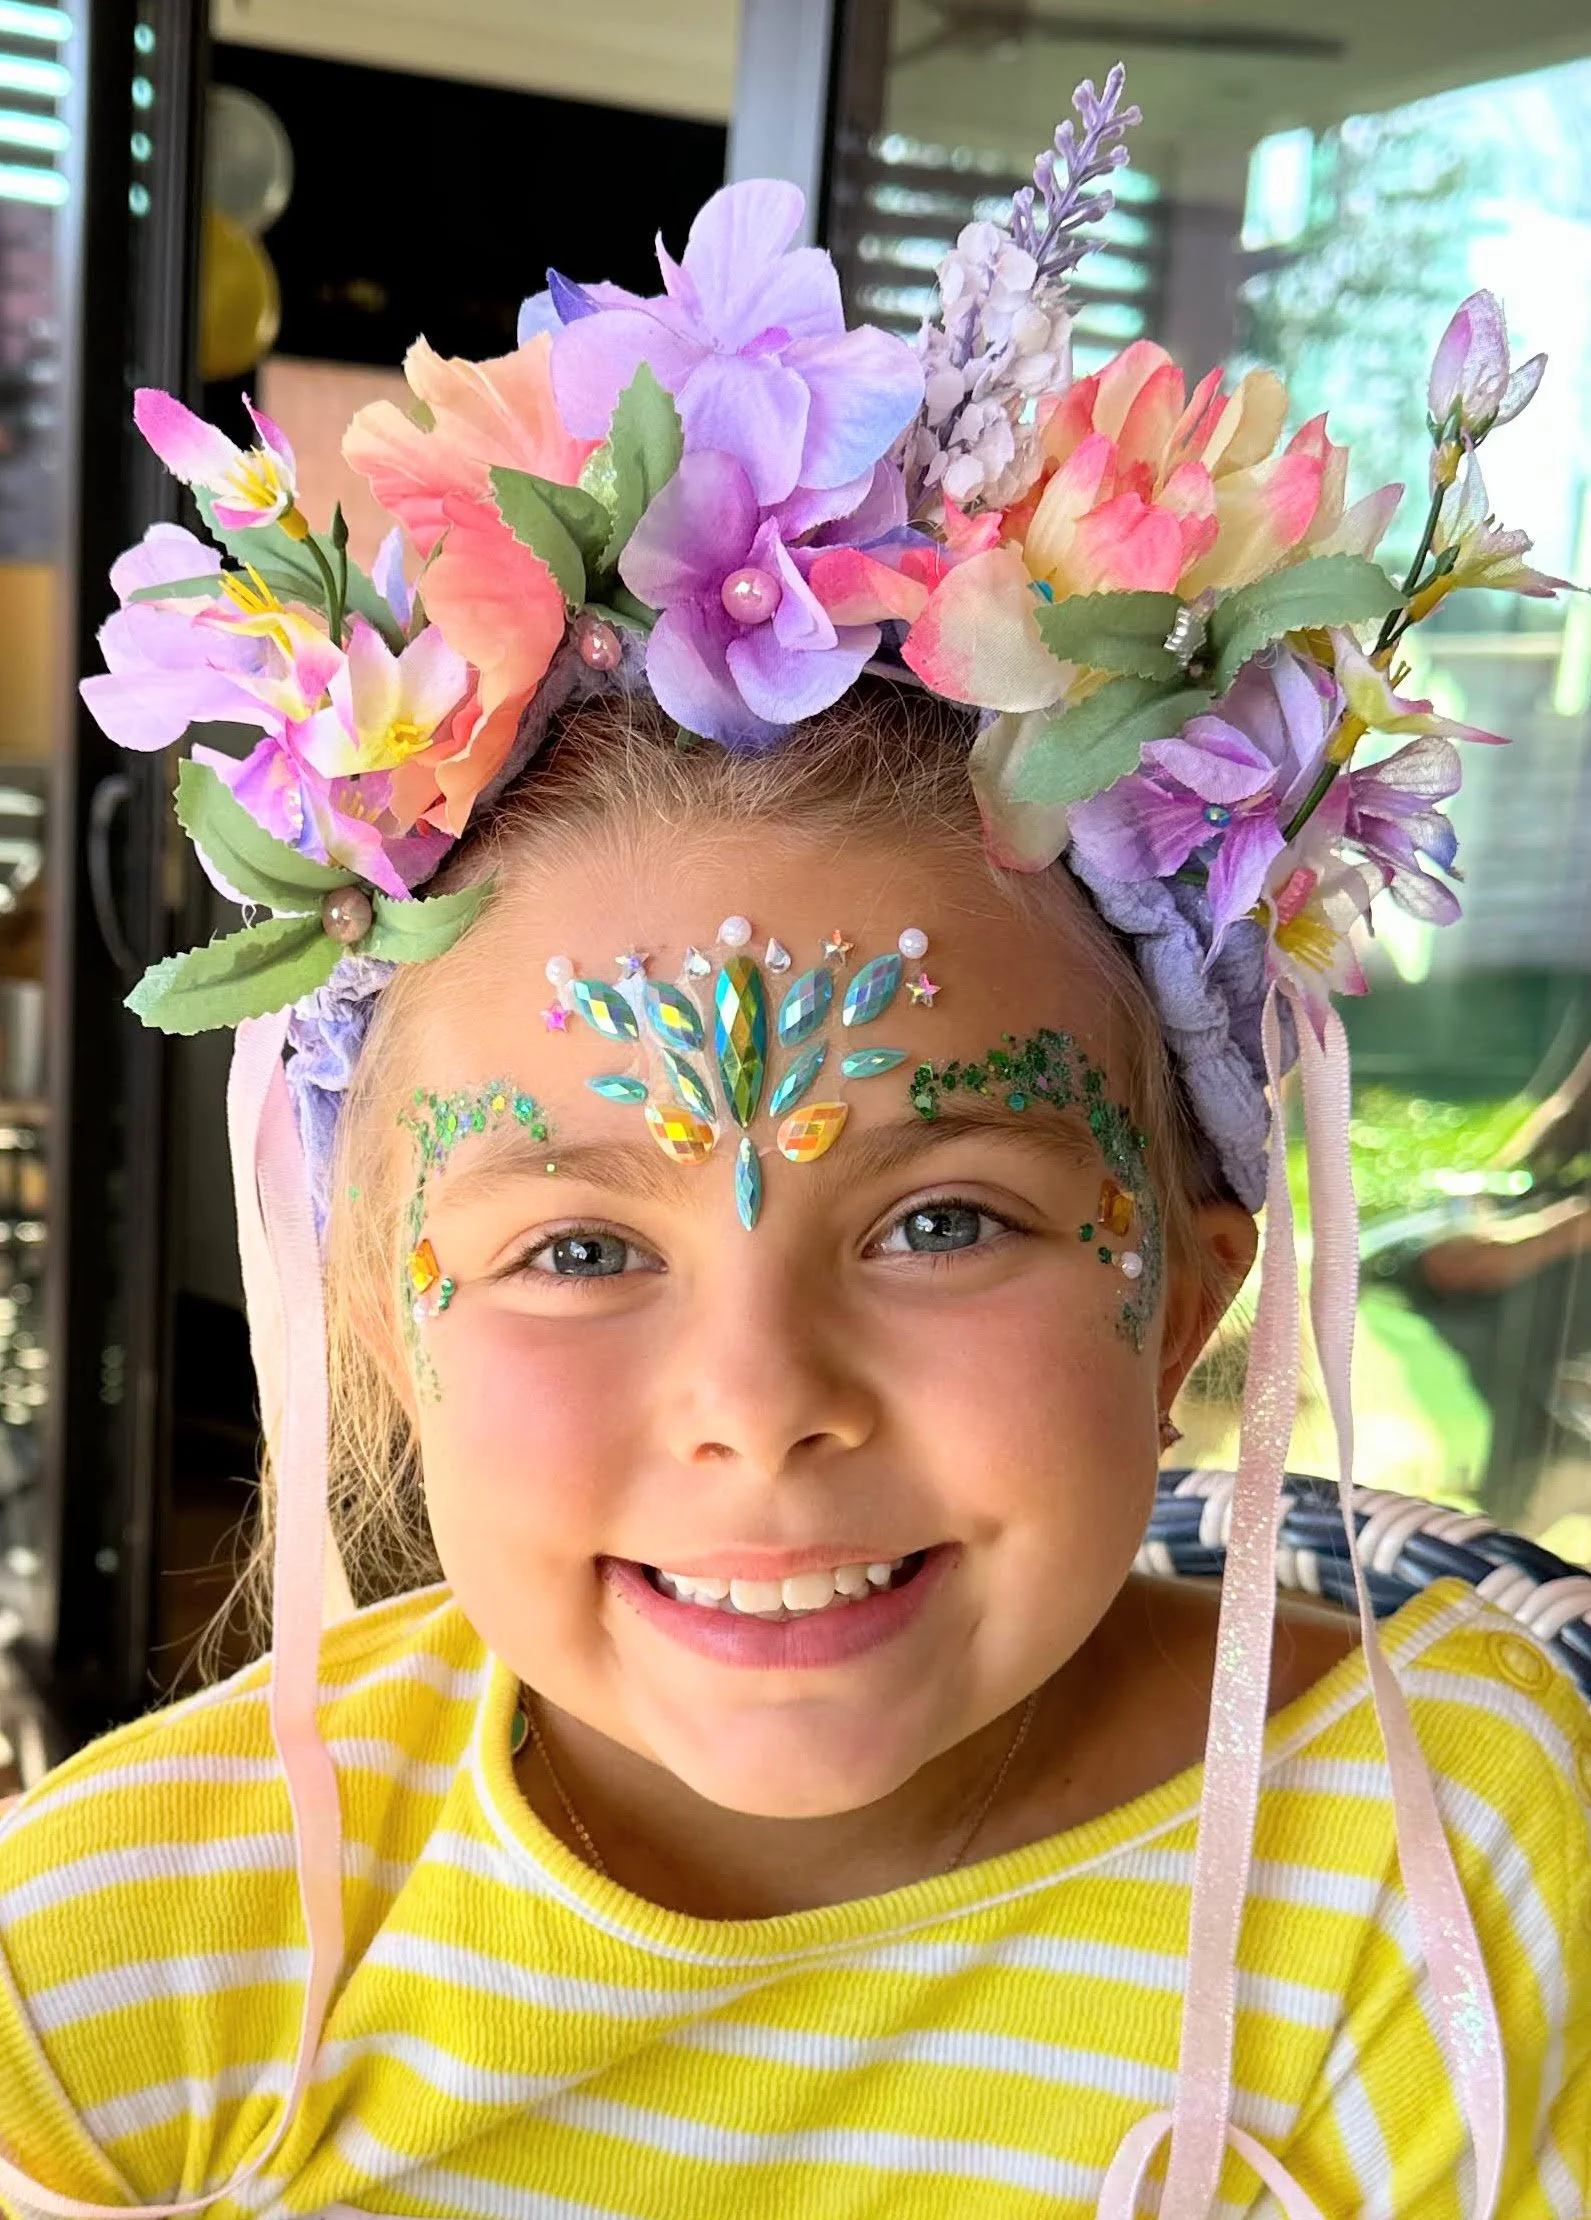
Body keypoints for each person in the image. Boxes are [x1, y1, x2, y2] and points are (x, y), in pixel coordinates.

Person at [1, 67, 1587, 2220]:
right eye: (573, 1248)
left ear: (1190, 1295)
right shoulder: (122, 1972)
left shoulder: (1458, 1891)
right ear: (391, 1313)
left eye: (943, 1216)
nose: (760, 1412)